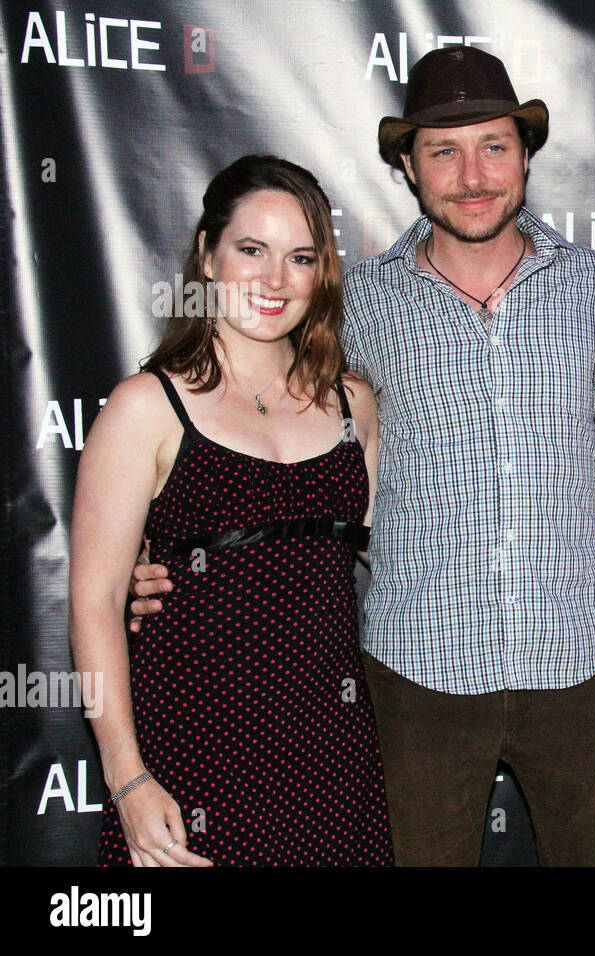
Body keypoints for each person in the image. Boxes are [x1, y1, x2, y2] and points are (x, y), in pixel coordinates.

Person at [134, 46, 595, 866]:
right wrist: (157, 555)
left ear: (525, 155)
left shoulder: (591, 283)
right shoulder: (358, 303)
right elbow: (263, 426)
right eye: (443, 151)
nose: (472, 174)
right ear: (409, 167)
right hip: (416, 673)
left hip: (575, 662)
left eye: (494, 146)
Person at [71, 155, 392, 866]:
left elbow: (392, 553)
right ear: (209, 257)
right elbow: (94, 604)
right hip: (191, 761)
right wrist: (127, 780)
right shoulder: (144, 407)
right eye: (252, 250)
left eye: (300, 257)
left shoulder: (353, 405)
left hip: (333, 763)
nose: (276, 280)